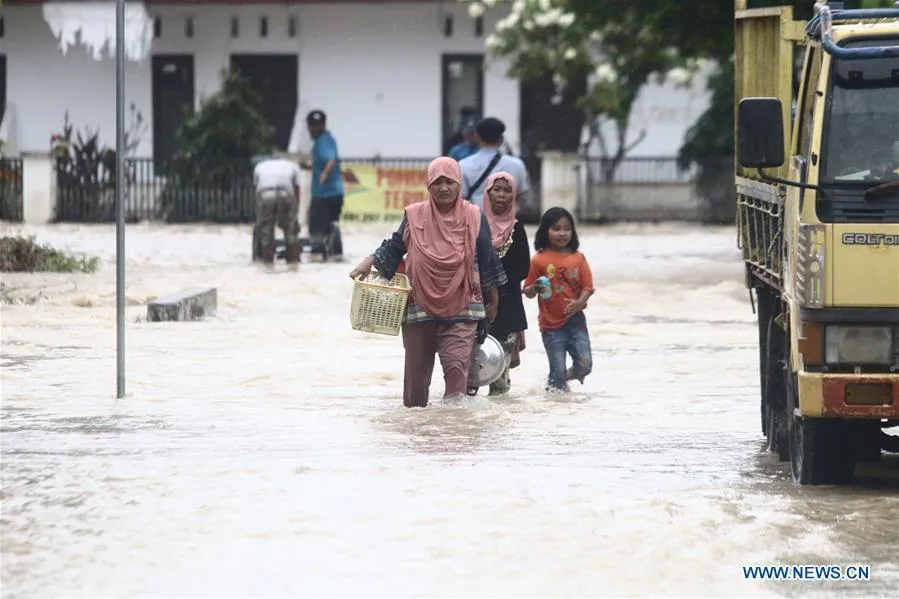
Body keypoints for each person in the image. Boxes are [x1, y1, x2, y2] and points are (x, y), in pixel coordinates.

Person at [348, 157, 508, 408]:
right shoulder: (414, 215)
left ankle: (452, 434)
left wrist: (494, 299)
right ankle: (417, 435)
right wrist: (369, 261)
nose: (443, 188)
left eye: (450, 182)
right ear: (428, 186)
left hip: (463, 304)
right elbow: (396, 245)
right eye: (437, 182)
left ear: (459, 185)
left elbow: (487, 257)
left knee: (457, 374)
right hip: (418, 304)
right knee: (416, 382)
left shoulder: (475, 216)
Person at [467, 172, 531, 396]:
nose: (501, 195)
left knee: (499, 377)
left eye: (507, 191)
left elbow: (523, 269)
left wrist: (495, 277)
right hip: (475, 306)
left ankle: (499, 427)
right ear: (488, 192)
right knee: (469, 371)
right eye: (497, 189)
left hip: (508, 309)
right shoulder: (475, 225)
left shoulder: (517, 229)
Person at [523, 207, 595, 392]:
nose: (562, 233)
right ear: (545, 231)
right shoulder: (538, 260)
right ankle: (556, 402)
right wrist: (535, 288)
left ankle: (558, 382)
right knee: (557, 372)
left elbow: (588, 286)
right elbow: (528, 291)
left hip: (576, 321)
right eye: (556, 228)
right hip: (550, 326)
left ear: (573, 231)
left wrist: (579, 303)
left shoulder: (578, 258)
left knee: (585, 365)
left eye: (566, 228)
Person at [459, 117, 531, 211]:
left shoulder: (463, 165)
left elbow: (462, 197)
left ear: (477, 137)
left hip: (475, 221)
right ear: (501, 139)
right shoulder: (517, 165)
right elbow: (521, 194)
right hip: (507, 222)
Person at [253, 155, 303, 267]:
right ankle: (294, 265)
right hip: (286, 193)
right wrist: (295, 213)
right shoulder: (292, 165)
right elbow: (297, 189)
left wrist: (260, 217)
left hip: (266, 194)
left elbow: (257, 190)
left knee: (266, 234)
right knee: (291, 232)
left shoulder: (260, 166)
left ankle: (268, 265)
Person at [306, 110, 344, 257]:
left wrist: (324, 175)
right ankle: (328, 259)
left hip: (325, 195)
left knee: (317, 234)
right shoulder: (327, 139)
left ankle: (318, 258)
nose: (311, 129)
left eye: (314, 126)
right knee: (328, 231)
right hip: (333, 194)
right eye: (311, 126)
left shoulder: (323, 141)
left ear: (321, 126)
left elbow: (331, 160)